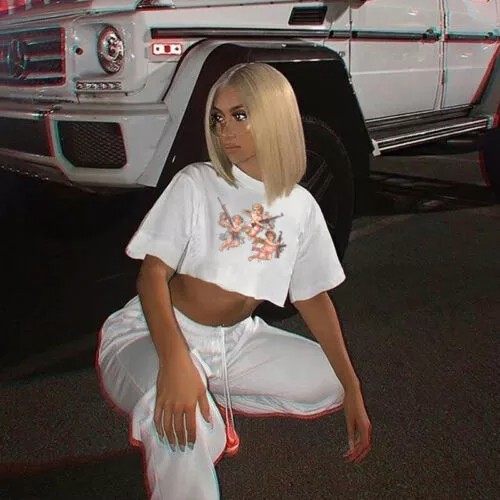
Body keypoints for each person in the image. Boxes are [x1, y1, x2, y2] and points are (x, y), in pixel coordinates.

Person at [97, 62, 372, 500]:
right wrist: (175, 360)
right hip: (154, 332)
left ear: (274, 116)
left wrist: (353, 387)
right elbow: (151, 276)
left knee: (330, 381)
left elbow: (312, 296)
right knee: (182, 421)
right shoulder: (197, 183)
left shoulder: (300, 206)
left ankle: (206, 391)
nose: (225, 130)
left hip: (235, 341)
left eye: (239, 115)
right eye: (218, 118)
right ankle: (189, 413)